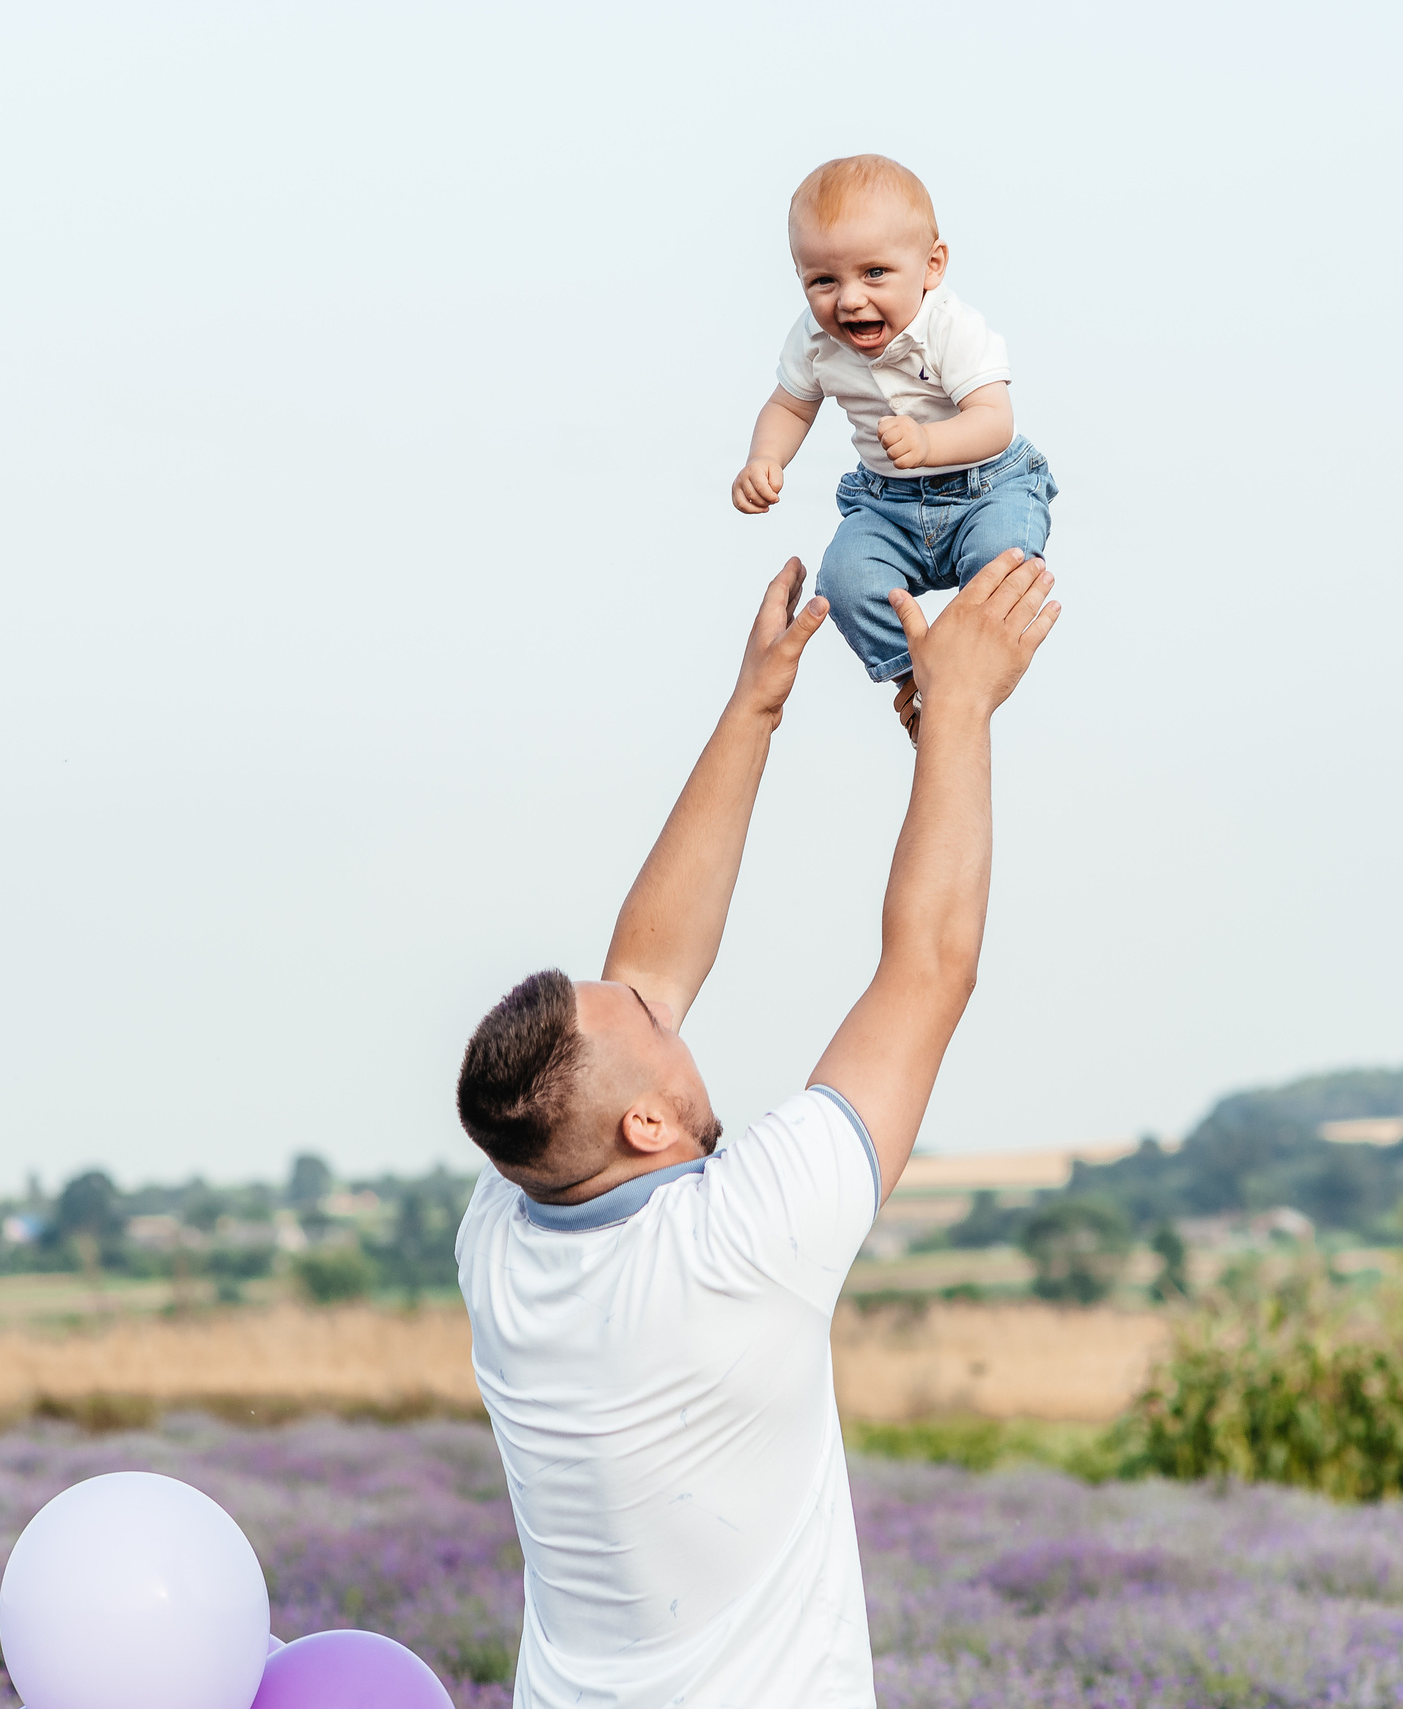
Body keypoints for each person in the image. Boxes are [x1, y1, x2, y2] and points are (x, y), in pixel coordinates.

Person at [453, 548, 1059, 1706]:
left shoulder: (512, 1217)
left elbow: (649, 961)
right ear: (642, 1120)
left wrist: (756, 703)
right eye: (640, 1015)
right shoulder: (734, 1244)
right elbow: (929, 968)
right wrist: (961, 712)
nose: (648, 989)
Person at [730, 154, 1058, 745]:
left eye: (875, 273)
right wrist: (764, 459)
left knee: (1002, 560)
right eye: (823, 281)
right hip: (887, 505)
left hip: (987, 484)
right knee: (845, 581)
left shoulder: (952, 327)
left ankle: (964, 676)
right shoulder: (813, 340)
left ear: (932, 265)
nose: (850, 300)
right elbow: (789, 406)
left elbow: (995, 421)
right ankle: (914, 684)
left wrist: (931, 441)